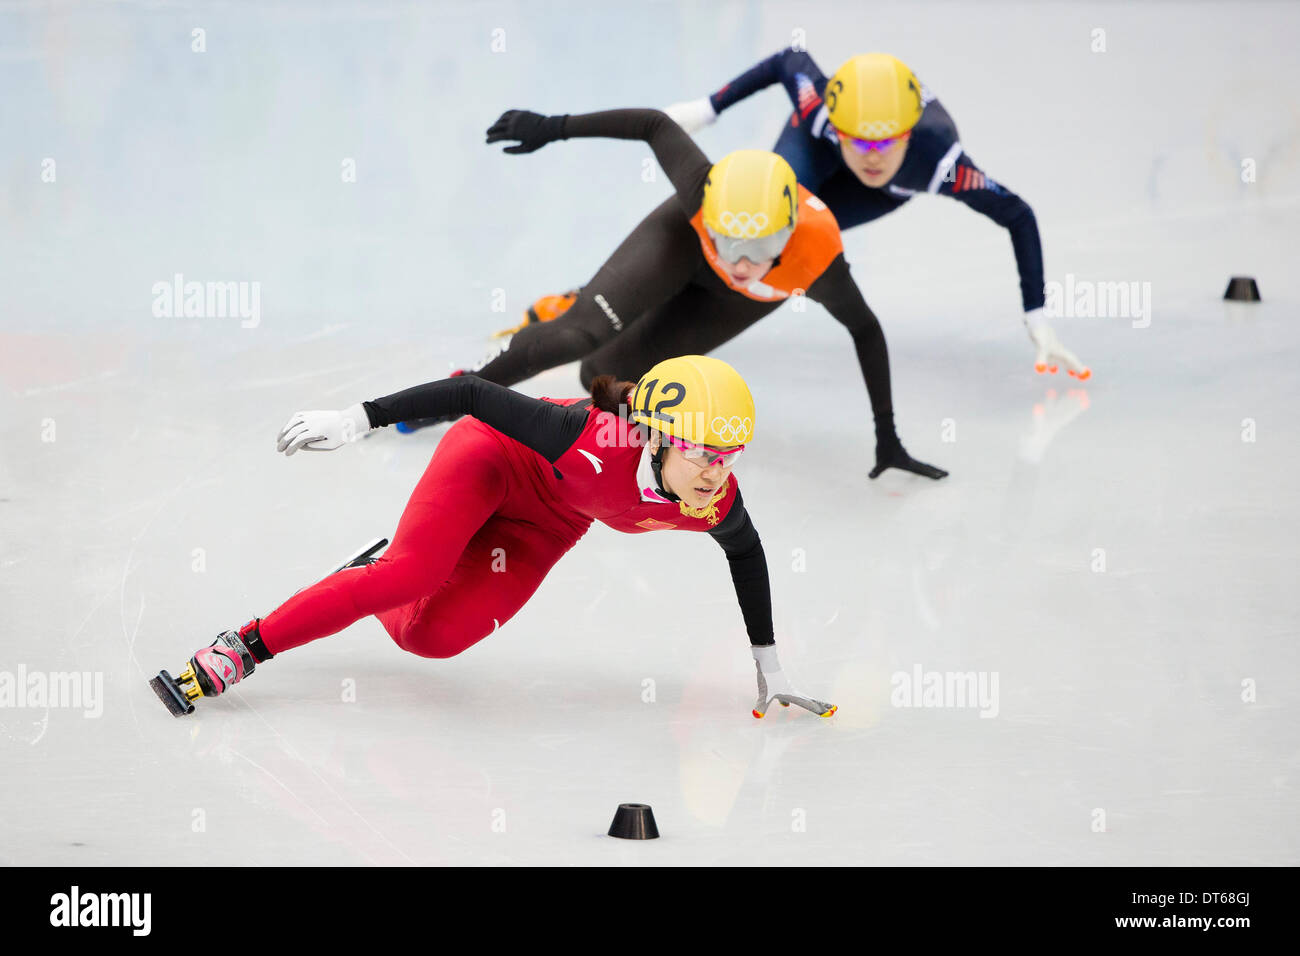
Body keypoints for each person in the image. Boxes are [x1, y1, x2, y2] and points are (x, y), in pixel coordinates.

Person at [148, 355, 836, 720]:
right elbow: (473, 394)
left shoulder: (716, 502)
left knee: (429, 637)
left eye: (730, 455)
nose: (716, 473)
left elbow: (747, 554)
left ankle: (371, 570)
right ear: (653, 435)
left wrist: (770, 669)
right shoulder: (587, 437)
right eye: (702, 452)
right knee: (413, 575)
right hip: (489, 461)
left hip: (551, 520)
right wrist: (358, 419)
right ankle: (245, 645)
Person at [403, 106, 946, 482]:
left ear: (790, 233)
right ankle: (454, 395)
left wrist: (888, 437)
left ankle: (588, 298)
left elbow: (866, 329)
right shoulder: (700, 188)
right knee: (574, 336)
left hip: (733, 302)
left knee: (599, 371)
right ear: (709, 208)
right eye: (727, 237)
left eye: (759, 247)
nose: (739, 260)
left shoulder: (820, 259)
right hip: (680, 246)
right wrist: (555, 127)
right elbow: (653, 123)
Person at [662, 50, 1088, 380]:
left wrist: (1036, 312)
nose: (871, 157)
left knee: (791, 250)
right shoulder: (818, 109)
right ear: (839, 128)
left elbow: (1018, 214)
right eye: (859, 142)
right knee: (762, 214)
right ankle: (656, 281)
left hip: (889, 192)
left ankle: (691, 319)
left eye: (885, 143)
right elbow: (786, 58)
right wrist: (707, 108)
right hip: (816, 149)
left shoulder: (942, 162)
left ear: (909, 135)